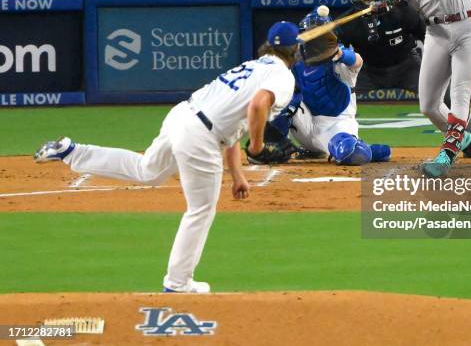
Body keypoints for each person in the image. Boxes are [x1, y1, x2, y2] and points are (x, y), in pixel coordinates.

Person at [34, 21, 301, 294]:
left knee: (146, 170)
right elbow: (257, 105)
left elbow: (233, 124)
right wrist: (256, 147)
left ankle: (71, 150)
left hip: (183, 116)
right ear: (295, 51)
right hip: (201, 136)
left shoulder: (252, 66)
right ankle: (178, 283)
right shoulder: (282, 77)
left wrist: (237, 174)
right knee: (201, 209)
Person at [380, 0, 471, 176]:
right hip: (436, 32)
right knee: (428, 105)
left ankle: (446, 154)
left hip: (468, 26)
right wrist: (383, 6)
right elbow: (400, 11)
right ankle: (464, 138)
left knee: (460, 94)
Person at [267, 8, 392, 166]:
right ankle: (274, 148)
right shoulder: (296, 59)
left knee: (350, 153)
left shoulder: (339, 56)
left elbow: (357, 61)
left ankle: (366, 149)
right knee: (281, 100)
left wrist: (338, 53)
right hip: (306, 124)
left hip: (336, 125)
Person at [339, 0, 424, 93]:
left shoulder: (402, 10)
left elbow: (427, 36)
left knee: (437, 94)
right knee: (346, 100)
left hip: (407, 65)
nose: (369, 2)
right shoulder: (347, 22)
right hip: (366, 70)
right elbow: (335, 50)